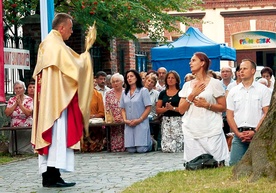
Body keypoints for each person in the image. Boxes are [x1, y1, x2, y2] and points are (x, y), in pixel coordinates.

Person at [31, 13, 95, 187]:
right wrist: (85, 62)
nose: (72, 32)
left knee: (55, 137)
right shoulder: (55, 46)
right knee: (56, 136)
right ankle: (51, 177)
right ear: (61, 28)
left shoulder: (51, 43)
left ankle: (53, 175)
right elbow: (73, 69)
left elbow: (69, 65)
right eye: (70, 28)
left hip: (53, 99)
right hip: (55, 102)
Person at [178, 52, 228, 166]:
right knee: (193, 165)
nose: (190, 63)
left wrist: (207, 105)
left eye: (193, 60)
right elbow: (181, 109)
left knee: (216, 164)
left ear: (202, 63)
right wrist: (192, 95)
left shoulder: (215, 83)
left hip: (211, 129)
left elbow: (223, 107)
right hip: (192, 130)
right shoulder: (187, 85)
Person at [227, 59, 271, 166]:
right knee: (234, 165)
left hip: (258, 134)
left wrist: (255, 132)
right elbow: (229, 115)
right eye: (240, 69)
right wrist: (238, 133)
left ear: (253, 71)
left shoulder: (263, 90)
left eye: (245, 69)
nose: (241, 71)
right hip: (239, 136)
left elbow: (266, 113)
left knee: (260, 166)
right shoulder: (233, 91)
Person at [120, 69, 152, 153]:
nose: (129, 78)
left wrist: (140, 119)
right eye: (127, 77)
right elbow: (122, 108)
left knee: (141, 149)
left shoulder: (143, 91)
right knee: (131, 150)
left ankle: (150, 143)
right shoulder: (124, 93)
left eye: (131, 76)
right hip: (129, 123)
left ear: (136, 78)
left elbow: (148, 107)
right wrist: (125, 119)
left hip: (140, 122)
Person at [156, 70, 184, 153]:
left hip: (178, 120)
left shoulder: (181, 93)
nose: (170, 80)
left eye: (172, 78)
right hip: (166, 120)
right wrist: (166, 109)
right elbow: (158, 109)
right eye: (168, 78)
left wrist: (173, 108)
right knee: (166, 147)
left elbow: (183, 109)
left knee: (178, 144)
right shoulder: (162, 93)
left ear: (177, 80)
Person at [5, 80, 33, 154]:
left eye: (20, 88)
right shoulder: (11, 100)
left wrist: (20, 104)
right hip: (15, 124)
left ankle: (27, 151)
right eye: (16, 88)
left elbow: (28, 113)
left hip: (27, 123)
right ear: (14, 90)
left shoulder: (29, 99)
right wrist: (15, 104)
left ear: (24, 89)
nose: (18, 90)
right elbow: (7, 113)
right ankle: (15, 151)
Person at [105, 73, 125, 152]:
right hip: (114, 120)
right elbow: (107, 108)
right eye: (113, 82)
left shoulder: (127, 92)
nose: (115, 83)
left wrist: (123, 117)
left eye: (117, 81)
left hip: (125, 119)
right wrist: (112, 118)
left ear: (122, 82)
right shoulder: (108, 93)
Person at [144, 73, 160, 150]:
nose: (149, 83)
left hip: (152, 115)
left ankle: (151, 139)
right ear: (145, 81)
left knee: (149, 119)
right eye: (148, 81)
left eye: (152, 82)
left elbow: (158, 107)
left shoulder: (156, 94)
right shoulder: (140, 91)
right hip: (141, 115)